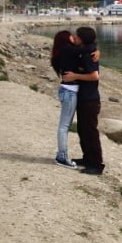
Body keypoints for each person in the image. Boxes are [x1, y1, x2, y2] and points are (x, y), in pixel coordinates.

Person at [50, 30, 99, 169]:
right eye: (72, 36)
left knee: (65, 126)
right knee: (64, 126)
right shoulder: (67, 50)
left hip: (69, 91)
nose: (74, 37)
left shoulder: (65, 51)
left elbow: (85, 49)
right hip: (69, 91)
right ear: (67, 39)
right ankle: (62, 156)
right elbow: (87, 48)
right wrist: (96, 50)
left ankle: (63, 155)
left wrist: (97, 51)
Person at [63, 26, 104, 175]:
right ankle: (87, 158)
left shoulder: (89, 55)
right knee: (82, 130)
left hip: (90, 99)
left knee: (90, 132)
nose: (74, 37)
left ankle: (97, 165)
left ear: (82, 39)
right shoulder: (87, 51)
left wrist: (75, 76)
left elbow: (94, 76)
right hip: (84, 97)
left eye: (77, 36)